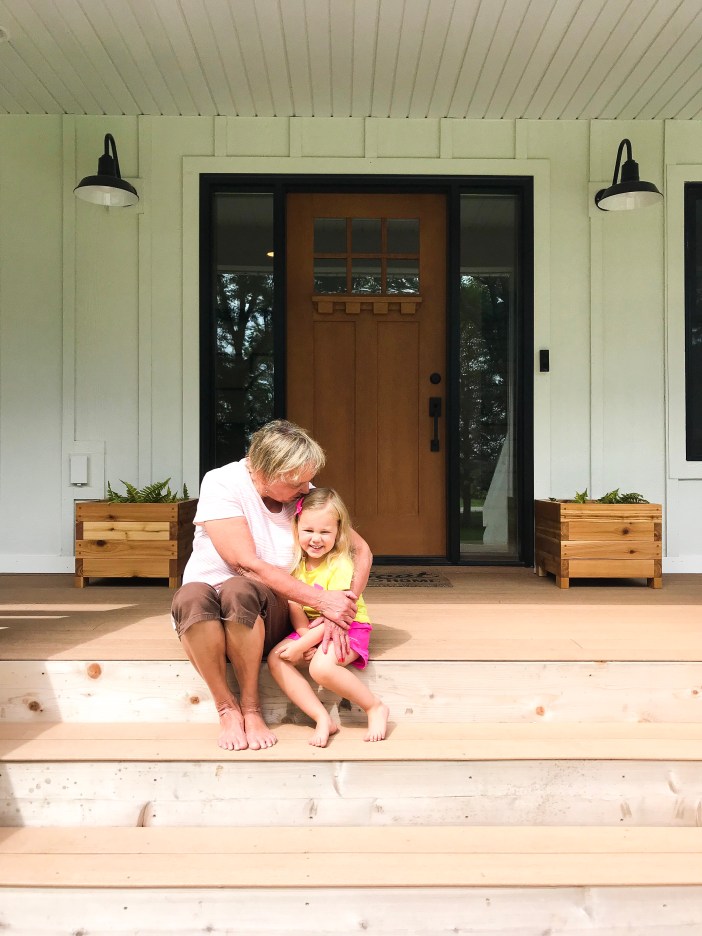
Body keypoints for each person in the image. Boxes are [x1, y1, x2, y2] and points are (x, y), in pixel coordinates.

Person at [171, 420, 372, 752]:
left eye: (308, 479)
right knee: (192, 594)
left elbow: (361, 550)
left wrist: (344, 608)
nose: (306, 488)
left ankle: (251, 707)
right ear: (265, 471)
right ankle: (227, 708)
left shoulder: (302, 493)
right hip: (205, 611)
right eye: (298, 482)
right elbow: (244, 563)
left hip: (267, 610)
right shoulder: (222, 482)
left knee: (238, 590)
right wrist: (324, 602)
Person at [267, 488, 389, 747]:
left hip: (349, 626)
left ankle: (374, 707)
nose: (316, 539)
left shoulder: (339, 563)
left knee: (321, 668)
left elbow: (337, 615)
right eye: (309, 530)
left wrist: (302, 645)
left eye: (325, 532)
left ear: (338, 532)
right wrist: (303, 636)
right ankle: (322, 717)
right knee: (276, 658)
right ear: (296, 527)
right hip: (313, 628)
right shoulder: (297, 563)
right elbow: (295, 605)